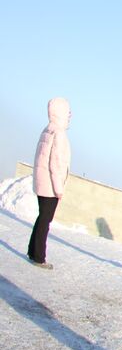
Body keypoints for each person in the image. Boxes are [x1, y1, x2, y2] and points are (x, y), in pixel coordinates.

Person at [27, 97, 72, 269]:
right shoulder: (59, 133)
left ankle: (33, 251)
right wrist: (59, 188)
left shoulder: (48, 129)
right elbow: (56, 162)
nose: (70, 116)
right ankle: (39, 257)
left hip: (42, 182)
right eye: (68, 112)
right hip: (51, 185)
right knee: (45, 220)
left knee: (42, 218)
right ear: (61, 113)